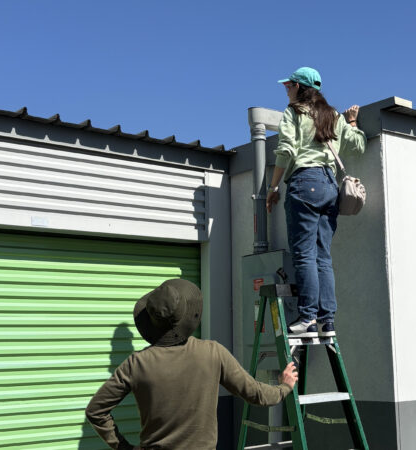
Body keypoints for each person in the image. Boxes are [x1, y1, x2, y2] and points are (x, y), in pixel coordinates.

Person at [85, 279, 298, 450]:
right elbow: (257, 394)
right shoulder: (213, 352)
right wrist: (284, 386)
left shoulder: (136, 364)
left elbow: (95, 411)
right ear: (186, 317)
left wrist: (122, 447)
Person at [266, 67, 366, 338]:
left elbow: (286, 149)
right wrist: (353, 122)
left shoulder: (294, 112)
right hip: (329, 187)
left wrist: (273, 187)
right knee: (323, 256)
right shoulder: (332, 115)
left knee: (305, 255)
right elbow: (358, 145)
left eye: (289, 85)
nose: (286, 90)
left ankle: (308, 316)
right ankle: (327, 320)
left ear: (300, 87)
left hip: (304, 183)